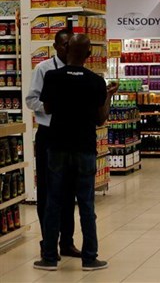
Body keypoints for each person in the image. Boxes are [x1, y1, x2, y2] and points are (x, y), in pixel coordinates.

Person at [34, 34, 119, 271]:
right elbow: (101, 118)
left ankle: (49, 257)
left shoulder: (52, 76)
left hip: (57, 145)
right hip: (84, 147)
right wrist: (109, 95)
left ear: (66, 49)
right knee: (86, 204)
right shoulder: (95, 81)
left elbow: (47, 108)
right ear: (89, 54)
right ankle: (90, 257)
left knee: (54, 202)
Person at [25, 29, 82, 260]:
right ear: (56, 46)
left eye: (72, 44)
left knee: (69, 191)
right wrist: (50, 107)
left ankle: (66, 242)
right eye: (65, 44)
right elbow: (31, 100)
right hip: (49, 134)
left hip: (71, 135)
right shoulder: (44, 69)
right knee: (48, 191)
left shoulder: (78, 70)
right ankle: (47, 242)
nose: (68, 48)